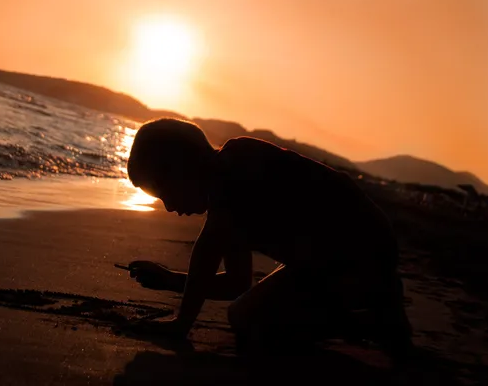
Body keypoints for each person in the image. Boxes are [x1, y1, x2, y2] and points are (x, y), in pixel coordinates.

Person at [125, 118, 413, 362]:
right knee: (243, 313)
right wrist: (170, 280)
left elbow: (207, 251)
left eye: (164, 193)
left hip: (362, 250)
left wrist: (181, 325)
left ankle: (374, 320)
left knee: (253, 322)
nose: (169, 208)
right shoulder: (228, 207)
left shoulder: (237, 167)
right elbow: (237, 284)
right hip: (333, 257)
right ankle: (373, 304)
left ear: (182, 168)